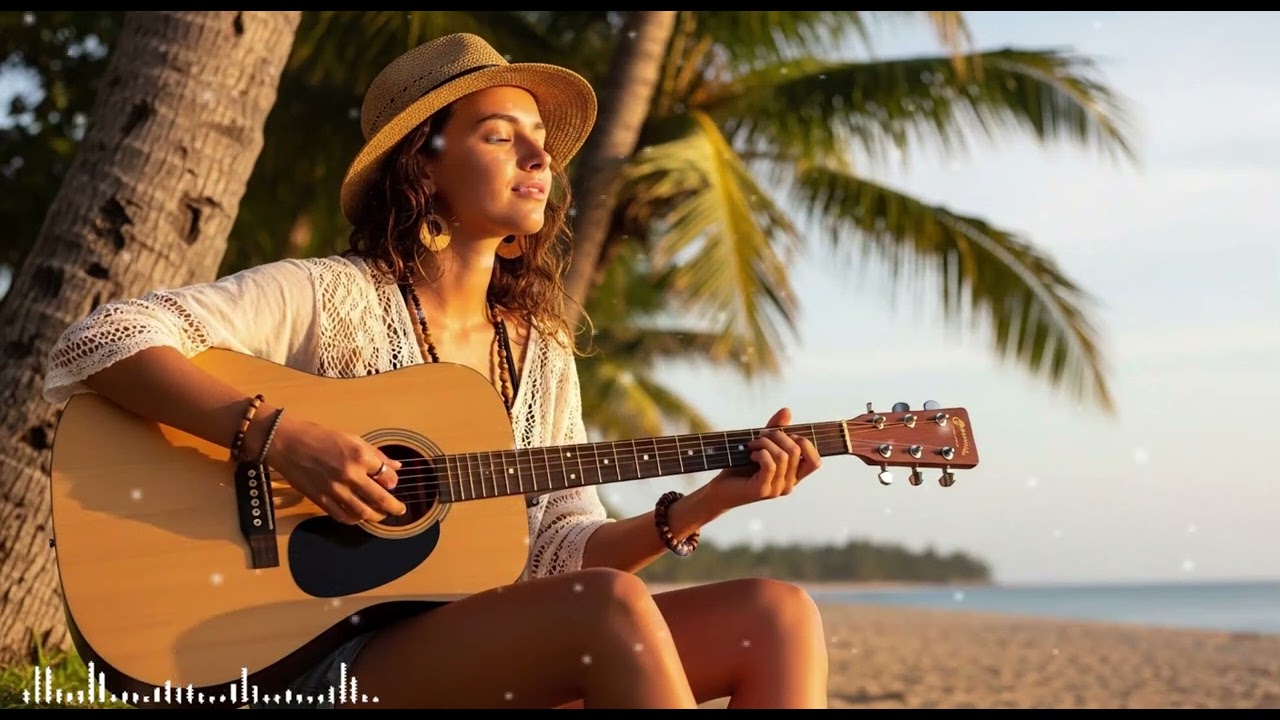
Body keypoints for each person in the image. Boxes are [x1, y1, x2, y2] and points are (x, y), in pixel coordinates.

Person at [42, 33, 829, 709]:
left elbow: (558, 547)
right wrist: (280, 438)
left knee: (777, 612)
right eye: (499, 135)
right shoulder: (332, 294)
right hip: (308, 655)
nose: (538, 155)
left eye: (539, 140)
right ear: (423, 161)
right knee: (609, 609)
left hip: (470, 648)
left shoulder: (540, 351)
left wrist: (702, 505)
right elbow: (100, 340)